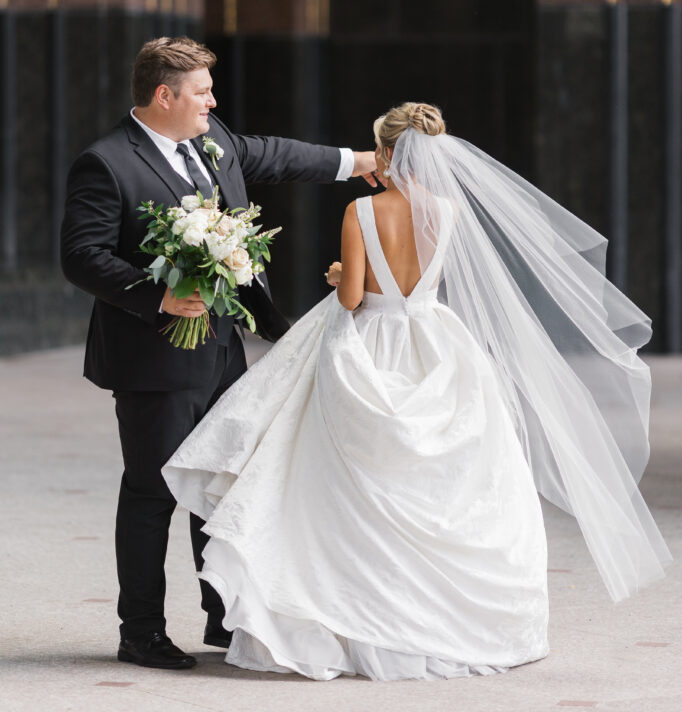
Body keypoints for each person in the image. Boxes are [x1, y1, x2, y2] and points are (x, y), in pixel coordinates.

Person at [163, 102, 670, 681]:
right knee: (452, 479)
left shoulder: (361, 210)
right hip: (434, 342)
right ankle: (448, 618)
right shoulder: (448, 210)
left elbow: (353, 299)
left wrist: (339, 274)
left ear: (385, 154)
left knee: (341, 473)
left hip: (370, 345)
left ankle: (350, 610)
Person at [60, 36, 378, 671]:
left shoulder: (213, 140)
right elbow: (81, 255)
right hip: (152, 357)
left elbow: (273, 155)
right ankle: (140, 632)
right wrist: (158, 297)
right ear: (164, 95)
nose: (212, 101)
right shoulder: (106, 162)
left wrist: (357, 161)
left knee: (222, 485)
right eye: (202, 91)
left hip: (223, 350)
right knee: (152, 492)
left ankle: (222, 616)